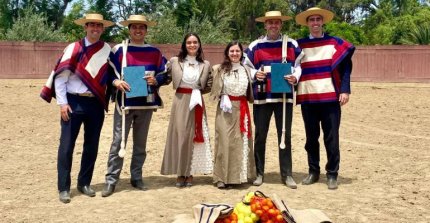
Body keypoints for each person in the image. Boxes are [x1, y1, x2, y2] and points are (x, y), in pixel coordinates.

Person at [40, 13, 114, 203]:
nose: (95, 29)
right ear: (85, 27)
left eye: (99, 26)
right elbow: (61, 78)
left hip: (95, 103)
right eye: (92, 25)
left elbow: (112, 75)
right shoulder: (74, 48)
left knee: (92, 145)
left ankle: (84, 183)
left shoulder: (106, 49)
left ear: (102, 28)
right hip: (73, 102)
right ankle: (64, 187)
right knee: (66, 146)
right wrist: (62, 103)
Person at [101, 15, 168, 197]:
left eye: (142, 27)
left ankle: (136, 177)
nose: (138, 30)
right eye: (134, 27)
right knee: (117, 142)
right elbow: (107, 72)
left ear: (146, 30)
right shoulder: (118, 50)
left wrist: (157, 80)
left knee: (140, 144)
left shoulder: (154, 52)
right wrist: (116, 82)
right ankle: (111, 180)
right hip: (125, 104)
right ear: (129, 29)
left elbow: (165, 74)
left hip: (145, 104)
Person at [295, 7, 355, 190]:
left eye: (318, 19)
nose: (315, 22)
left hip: (330, 98)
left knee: (332, 137)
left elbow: (346, 68)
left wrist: (345, 90)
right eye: (311, 19)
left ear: (323, 22)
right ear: (307, 23)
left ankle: (332, 174)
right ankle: (313, 171)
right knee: (311, 138)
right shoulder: (299, 45)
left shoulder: (335, 43)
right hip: (308, 97)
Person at [243, 11, 304, 189]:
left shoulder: (291, 44)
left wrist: (295, 77)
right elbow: (247, 67)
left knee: (284, 135)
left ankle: (287, 175)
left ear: (281, 24)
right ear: (265, 25)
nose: (273, 26)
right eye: (270, 23)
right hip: (263, 98)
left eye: (276, 22)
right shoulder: (256, 46)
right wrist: (255, 73)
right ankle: (259, 173)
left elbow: (299, 66)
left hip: (284, 98)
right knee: (260, 136)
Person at [161, 33, 213, 187]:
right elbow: (166, 77)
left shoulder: (206, 64)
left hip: (196, 101)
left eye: (195, 42)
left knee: (193, 136)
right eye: (189, 42)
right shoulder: (175, 62)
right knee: (180, 136)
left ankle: (189, 172)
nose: (192, 45)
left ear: (199, 45)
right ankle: (180, 172)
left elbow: (209, 83)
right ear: (184, 44)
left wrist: (198, 92)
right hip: (180, 101)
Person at [210, 41, 256, 189]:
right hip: (225, 109)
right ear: (227, 53)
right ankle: (221, 177)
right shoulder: (218, 69)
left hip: (242, 109)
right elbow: (207, 84)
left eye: (237, 51)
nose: (235, 54)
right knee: (224, 141)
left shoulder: (247, 70)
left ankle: (238, 177)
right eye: (232, 51)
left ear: (242, 53)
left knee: (240, 141)